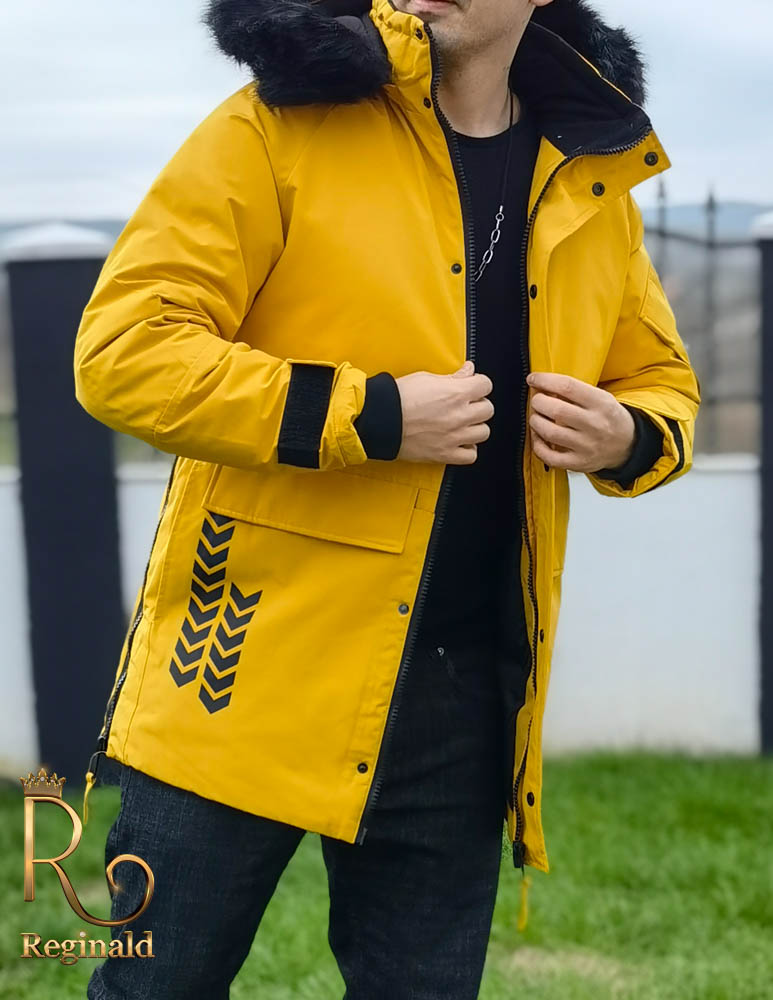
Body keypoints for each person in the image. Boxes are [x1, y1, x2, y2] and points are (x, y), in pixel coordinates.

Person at [74, 0, 700, 996]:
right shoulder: (274, 125)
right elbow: (124, 354)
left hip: (462, 701)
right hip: (241, 674)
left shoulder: (584, 174)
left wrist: (625, 434)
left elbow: (662, 383)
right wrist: (369, 415)